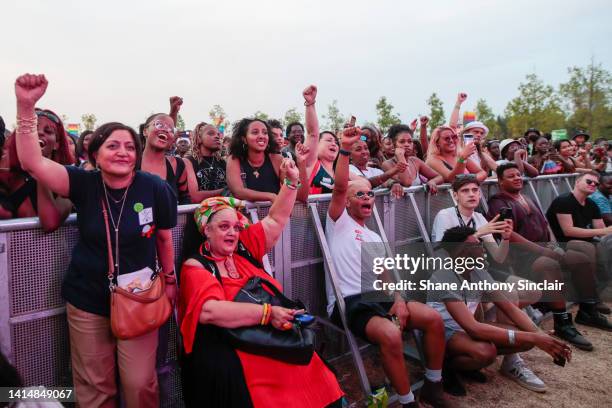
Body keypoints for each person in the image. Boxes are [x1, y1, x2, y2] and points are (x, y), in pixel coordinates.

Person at [13, 73, 178, 407]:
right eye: (113, 145)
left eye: (130, 146)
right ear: (94, 152)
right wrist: (25, 107)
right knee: (94, 388)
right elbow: (31, 161)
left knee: (139, 385)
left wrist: (171, 279)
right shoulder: (84, 183)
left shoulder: (155, 188)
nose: (123, 152)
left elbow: (163, 238)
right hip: (87, 299)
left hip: (140, 297)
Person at [179, 190, 344, 406]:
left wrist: (290, 182)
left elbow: (277, 218)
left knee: (318, 373)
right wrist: (267, 313)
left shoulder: (243, 250)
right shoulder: (196, 266)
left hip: (272, 339)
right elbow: (209, 311)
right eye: (223, 226)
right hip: (235, 347)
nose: (233, 233)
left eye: (236, 227)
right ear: (206, 230)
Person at [326, 126, 450, 408]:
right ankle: (408, 402)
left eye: (370, 194)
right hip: (350, 300)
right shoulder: (337, 223)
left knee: (432, 318)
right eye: (360, 195)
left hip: (378, 295)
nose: (367, 198)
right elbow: (341, 185)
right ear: (346, 202)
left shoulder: (373, 236)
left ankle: (433, 384)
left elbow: (386, 276)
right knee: (391, 334)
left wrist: (399, 299)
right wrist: (344, 149)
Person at [427, 226, 571, 395]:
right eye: (476, 244)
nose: (482, 247)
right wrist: (534, 336)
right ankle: (446, 366)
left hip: (468, 328)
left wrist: (540, 336)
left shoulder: (478, 271)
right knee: (486, 352)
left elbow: (509, 308)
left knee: (526, 341)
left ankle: (470, 362)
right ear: (462, 252)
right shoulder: (444, 276)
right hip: (445, 334)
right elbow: (473, 327)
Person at [489, 164, 610, 348]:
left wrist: (555, 246)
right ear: (500, 181)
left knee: (580, 257)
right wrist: (544, 251)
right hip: (522, 256)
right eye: (511, 176)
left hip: (544, 247)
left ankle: (587, 309)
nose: (517, 178)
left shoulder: (527, 197)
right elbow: (509, 234)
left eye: (518, 175)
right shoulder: (498, 202)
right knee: (548, 263)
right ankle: (562, 322)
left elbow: (546, 226)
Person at [0, 107, 74, 231]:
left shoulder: (67, 179)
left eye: (48, 131)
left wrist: (39, 167)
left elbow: (50, 223)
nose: (39, 133)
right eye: (33, 129)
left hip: (51, 249)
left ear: (57, 144)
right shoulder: (8, 176)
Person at [140, 107, 190, 204]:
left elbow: (185, 198)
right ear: (145, 131)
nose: (166, 130)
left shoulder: (178, 165)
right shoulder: (130, 162)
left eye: (171, 129)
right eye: (159, 124)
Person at [381, 124, 444, 191]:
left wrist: (433, 181)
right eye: (402, 142)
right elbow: (407, 183)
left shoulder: (415, 161)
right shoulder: (387, 164)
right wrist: (400, 156)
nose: (407, 144)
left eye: (410, 141)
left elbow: (439, 177)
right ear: (394, 144)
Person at [184, 122, 227, 202]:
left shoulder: (222, 162)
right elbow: (195, 196)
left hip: (227, 207)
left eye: (218, 134)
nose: (217, 137)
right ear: (199, 138)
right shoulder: (188, 161)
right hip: (199, 211)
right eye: (211, 134)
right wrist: (226, 191)